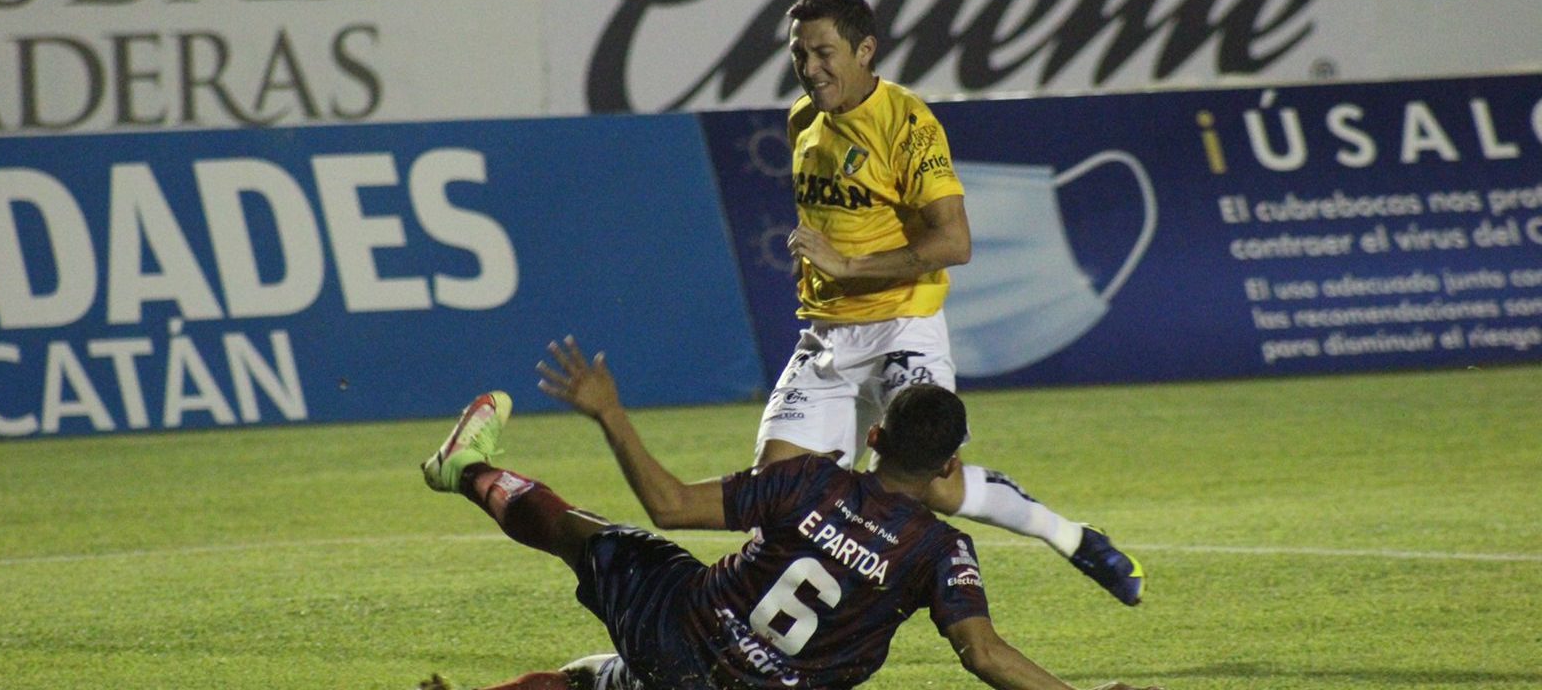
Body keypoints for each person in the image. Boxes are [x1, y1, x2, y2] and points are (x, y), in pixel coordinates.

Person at [417, 336, 1162, 690]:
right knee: (603, 684)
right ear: (948, 466)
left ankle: (469, 470)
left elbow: (669, 504)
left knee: (580, 535)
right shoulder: (943, 552)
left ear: (873, 437)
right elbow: (985, 655)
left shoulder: (808, 480)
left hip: (678, 629)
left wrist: (611, 413)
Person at [760, 0, 1144, 605]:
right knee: (773, 493)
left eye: (824, 52)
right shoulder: (804, 120)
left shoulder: (909, 124)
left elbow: (954, 243)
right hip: (828, 335)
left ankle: (1070, 536)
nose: (809, 67)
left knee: (935, 486)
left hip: (902, 328)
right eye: (799, 53)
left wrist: (849, 265)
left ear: (865, 50)